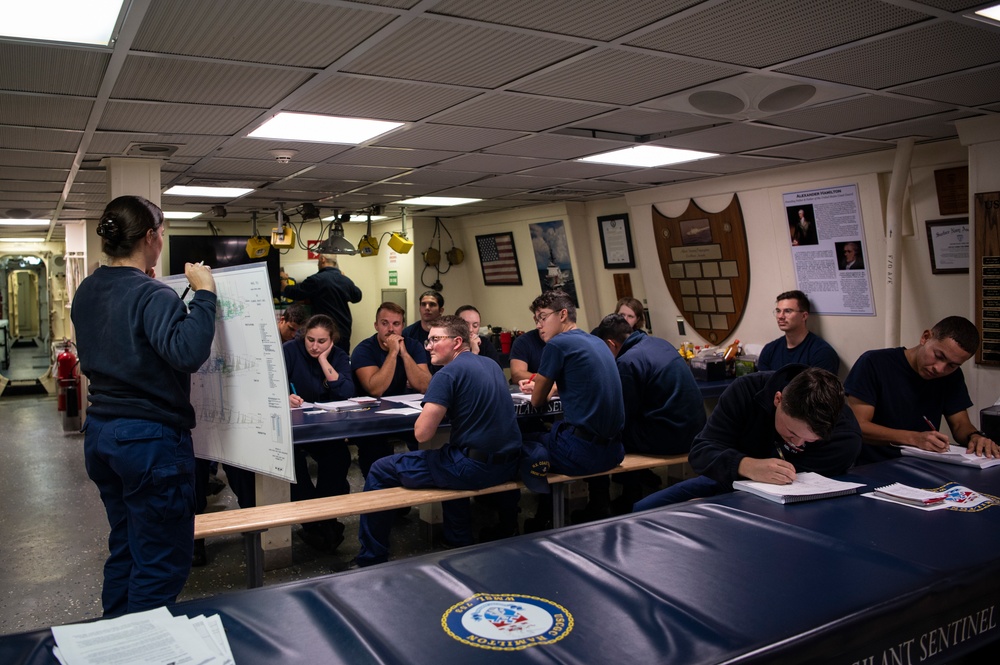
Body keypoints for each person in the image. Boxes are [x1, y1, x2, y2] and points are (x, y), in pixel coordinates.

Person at [72, 195, 217, 617]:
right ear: (152, 237)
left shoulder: (89, 289)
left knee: (127, 546)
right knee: (160, 564)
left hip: (101, 433)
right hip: (149, 441)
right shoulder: (152, 294)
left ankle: (114, 641)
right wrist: (204, 295)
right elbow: (187, 352)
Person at [355, 316, 521, 566]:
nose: (429, 346)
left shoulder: (447, 374)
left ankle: (371, 557)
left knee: (380, 469)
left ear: (456, 342)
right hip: (508, 465)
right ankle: (458, 537)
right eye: (427, 341)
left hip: (473, 469)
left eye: (435, 340)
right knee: (448, 456)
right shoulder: (491, 365)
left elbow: (422, 434)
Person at [634, 365, 862, 511]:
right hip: (730, 479)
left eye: (809, 441)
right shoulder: (747, 390)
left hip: (790, 506)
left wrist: (721, 505)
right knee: (644, 509)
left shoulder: (845, 437)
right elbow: (701, 451)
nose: (797, 444)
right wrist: (746, 465)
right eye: (792, 433)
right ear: (778, 399)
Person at [518, 290, 625, 529]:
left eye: (542, 317)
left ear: (563, 314)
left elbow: (536, 402)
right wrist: (554, 387)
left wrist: (542, 389)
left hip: (582, 454)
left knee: (521, 442)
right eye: (536, 320)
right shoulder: (596, 341)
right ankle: (596, 506)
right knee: (550, 436)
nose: (538, 326)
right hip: (614, 449)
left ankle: (542, 520)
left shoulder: (558, 344)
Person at [845, 316, 1000, 464]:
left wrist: (975, 437)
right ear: (925, 337)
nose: (940, 369)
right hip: (873, 465)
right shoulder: (874, 363)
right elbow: (858, 426)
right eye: (938, 356)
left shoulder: (952, 377)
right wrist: (914, 438)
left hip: (924, 464)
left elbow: (960, 424)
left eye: (952, 365)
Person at [594, 314, 706, 513]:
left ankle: (613, 503)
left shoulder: (627, 361)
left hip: (669, 437)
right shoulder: (660, 343)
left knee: (605, 436)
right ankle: (630, 493)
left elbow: (623, 414)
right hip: (695, 431)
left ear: (611, 344)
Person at [285, 314, 355, 551]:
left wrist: (325, 361)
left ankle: (325, 518)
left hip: (324, 428)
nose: (315, 346)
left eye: (322, 342)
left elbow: (346, 391)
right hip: (292, 428)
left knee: (339, 458)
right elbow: (270, 385)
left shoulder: (339, 355)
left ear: (332, 340)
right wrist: (285, 397)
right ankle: (315, 522)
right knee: (292, 466)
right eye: (310, 340)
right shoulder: (290, 350)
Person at [351, 302, 432, 471]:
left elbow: (425, 386)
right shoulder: (363, 349)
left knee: (428, 441)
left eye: (396, 324)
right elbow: (376, 389)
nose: (391, 329)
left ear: (403, 326)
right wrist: (393, 353)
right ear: (376, 326)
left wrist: (404, 353)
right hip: (370, 417)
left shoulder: (413, 346)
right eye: (384, 323)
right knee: (374, 456)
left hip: (403, 413)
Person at [281, 254, 362, 354]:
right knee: (340, 362)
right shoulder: (345, 280)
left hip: (323, 331)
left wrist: (284, 285)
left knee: (321, 361)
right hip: (343, 331)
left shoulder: (316, 280)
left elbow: (296, 292)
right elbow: (357, 296)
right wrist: (345, 281)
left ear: (322, 259)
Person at [758, 290, 839, 374]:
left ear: (804, 316)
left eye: (788, 311)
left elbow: (821, 387)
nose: (780, 316)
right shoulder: (769, 349)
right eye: (778, 311)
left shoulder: (822, 353)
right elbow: (762, 384)